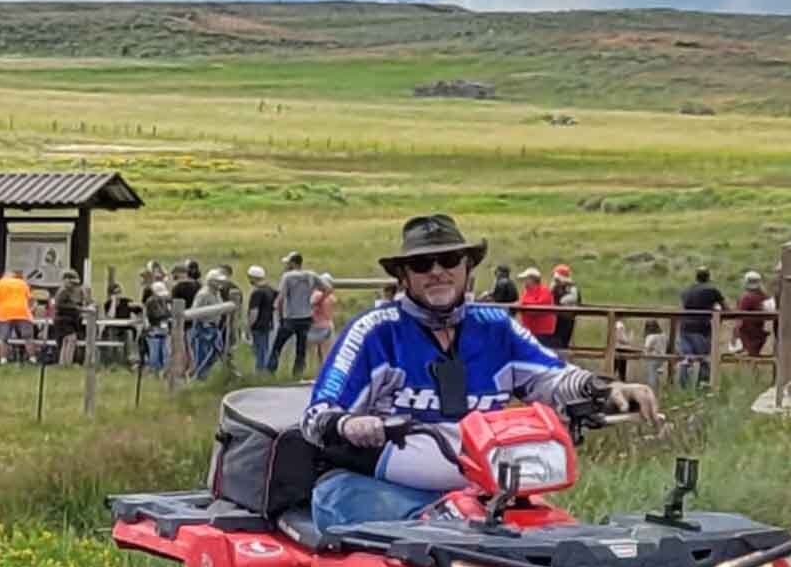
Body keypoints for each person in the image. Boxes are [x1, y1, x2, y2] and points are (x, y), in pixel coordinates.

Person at [303, 214, 654, 536]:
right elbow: (317, 415)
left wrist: (603, 389)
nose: (438, 271)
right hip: (379, 489)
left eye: (451, 260)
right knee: (422, 543)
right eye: (423, 264)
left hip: (485, 492)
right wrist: (349, 425)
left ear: (468, 267)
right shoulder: (376, 332)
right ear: (404, 276)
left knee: (558, 539)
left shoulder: (496, 326)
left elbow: (553, 378)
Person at [270, 253, 326, 375]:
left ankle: (270, 371)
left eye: (288, 263)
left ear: (293, 263)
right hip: (306, 317)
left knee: (277, 346)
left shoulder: (288, 277)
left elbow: (281, 298)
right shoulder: (311, 275)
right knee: (301, 349)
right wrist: (314, 302)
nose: (286, 266)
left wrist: (280, 316)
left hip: (291, 317)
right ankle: (297, 373)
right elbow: (326, 288)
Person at [675, 265, 726, 387]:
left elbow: (683, 306)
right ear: (708, 277)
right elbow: (726, 308)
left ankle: (684, 386)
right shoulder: (712, 290)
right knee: (704, 359)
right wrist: (716, 312)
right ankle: (702, 386)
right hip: (702, 329)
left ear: (696, 277)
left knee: (687, 359)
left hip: (685, 328)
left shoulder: (686, 290)